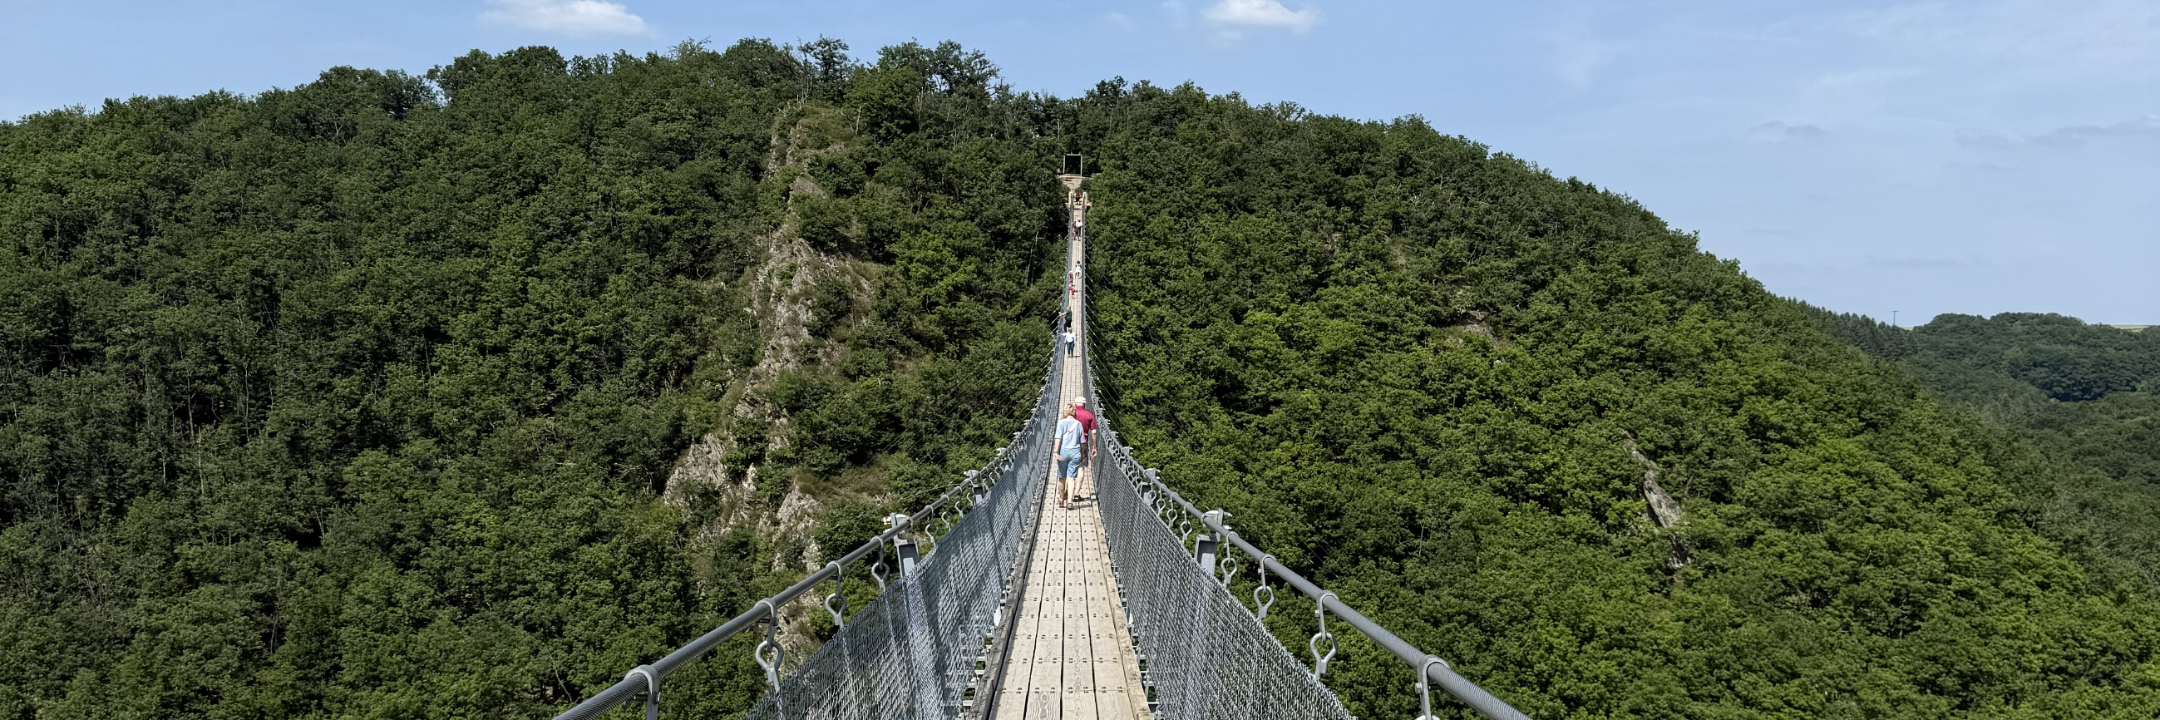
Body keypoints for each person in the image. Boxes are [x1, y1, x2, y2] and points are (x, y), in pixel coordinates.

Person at [1052, 403, 1085, 509]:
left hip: (1063, 453)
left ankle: (1061, 499)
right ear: (1074, 412)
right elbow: (1082, 442)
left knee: (1062, 477)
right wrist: (1082, 454)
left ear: (1065, 411)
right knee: (1071, 478)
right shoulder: (1078, 424)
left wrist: (1056, 452)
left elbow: (1058, 438)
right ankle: (1069, 502)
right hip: (1075, 453)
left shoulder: (1061, 423)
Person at [1071, 397, 1096, 499]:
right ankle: (1076, 494)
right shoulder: (1089, 415)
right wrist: (1094, 447)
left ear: (1075, 404)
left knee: (1070, 468)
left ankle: (1068, 493)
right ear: (1084, 404)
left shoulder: (1070, 413)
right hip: (1083, 444)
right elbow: (1094, 432)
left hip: (1069, 444)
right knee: (1080, 468)